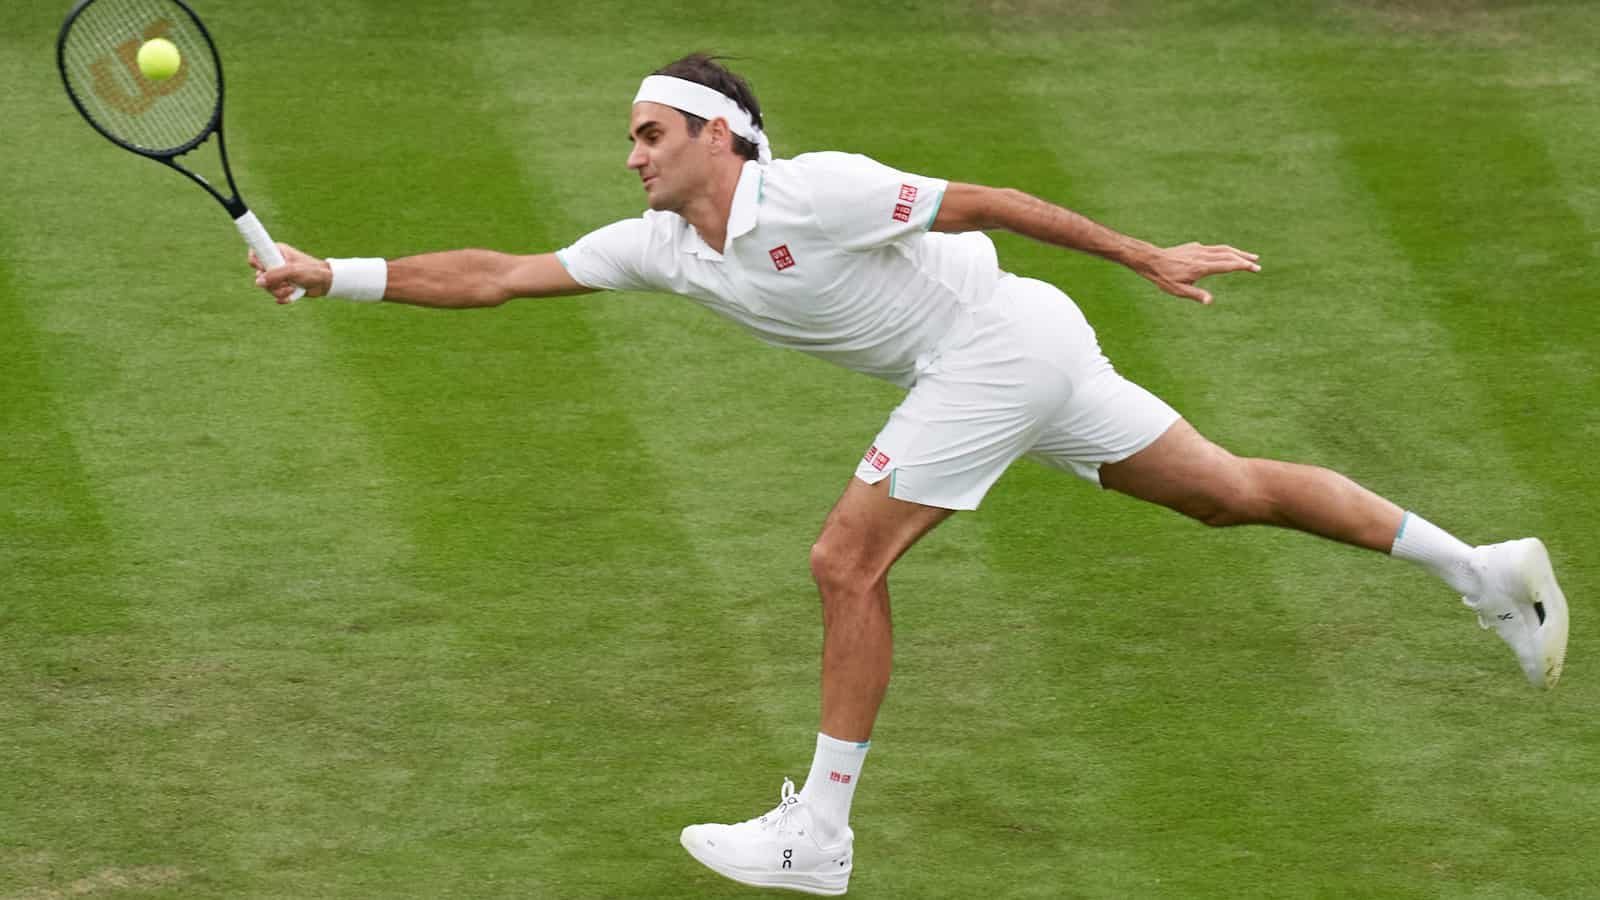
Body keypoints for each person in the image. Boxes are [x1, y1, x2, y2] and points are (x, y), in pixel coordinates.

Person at [252, 53, 1569, 897]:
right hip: (1024, 356)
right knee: (1226, 491)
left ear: (722, 135)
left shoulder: (816, 189)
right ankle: (1485, 566)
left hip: (1001, 344)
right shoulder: (665, 245)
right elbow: (495, 275)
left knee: (844, 559)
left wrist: (1143, 253)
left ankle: (818, 835)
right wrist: (332, 275)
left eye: (652, 133)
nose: (633, 154)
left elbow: (982, 200)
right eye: (632, 140)